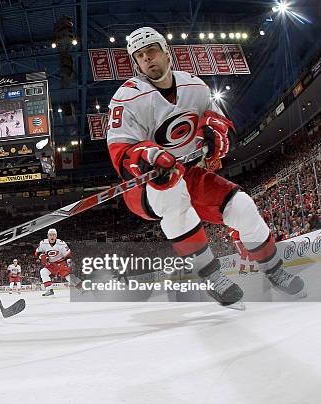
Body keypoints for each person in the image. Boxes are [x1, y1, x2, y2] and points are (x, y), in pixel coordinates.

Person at [106, 27, 305, 307]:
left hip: (188, 172)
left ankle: (274, 270)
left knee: (243, 206)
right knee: (173, 194)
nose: (147, 58)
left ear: (166, 52)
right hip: (146, 185)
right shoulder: (127, 97)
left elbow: (222, 125)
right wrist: (147, 156)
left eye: (151, 50)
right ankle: (211, 276)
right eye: (139, 56)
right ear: (136, 64)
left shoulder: (195, 87)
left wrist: (218, 134)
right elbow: (120, 152)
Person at [35, 228, 83, 296]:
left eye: (53, 235)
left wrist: (69, 264)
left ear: (56, 236)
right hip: (51, 264)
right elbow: (37, 253)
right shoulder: (43, 243)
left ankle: (82, 288)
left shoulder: (61, 244)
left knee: (67, 276)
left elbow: (68, 255)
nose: (52, 236)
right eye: (50, 235)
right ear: (47, 236)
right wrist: (41, 256)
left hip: (61, 263)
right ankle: (49, 290)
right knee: (43, 271)